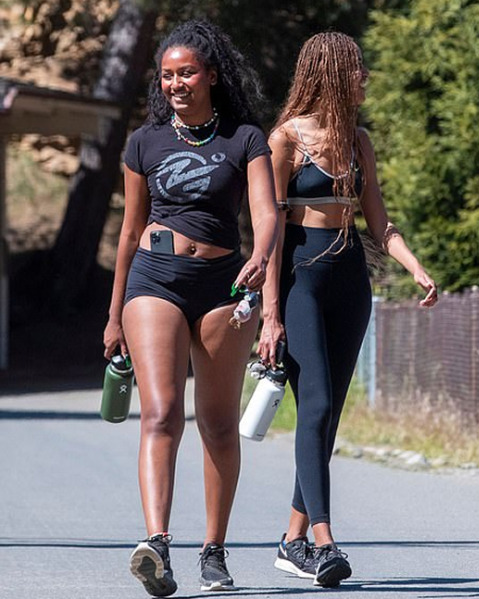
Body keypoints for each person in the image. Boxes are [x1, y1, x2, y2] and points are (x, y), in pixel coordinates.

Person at [103, 20, 277, 597]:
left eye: (187, 73)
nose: (176, 83)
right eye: (168, 75)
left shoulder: (244, 137)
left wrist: (262, 255)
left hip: (222, 285)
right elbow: (128, 233)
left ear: (211, 75)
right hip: (153, 280)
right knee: (161, 414)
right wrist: (112, 314)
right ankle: (157, 541)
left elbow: (265, 210)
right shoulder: (143, 142)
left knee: (220, 424)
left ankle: (214, 549)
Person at [258, 31, 438, 588]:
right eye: (357, 70)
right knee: (312, 403)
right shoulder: (285, 140)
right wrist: (270, 313)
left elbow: (379, 222)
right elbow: (266, 230)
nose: (364, 79)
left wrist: (414, 267)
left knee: (329, 413)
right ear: (332, 73)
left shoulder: (358, 141)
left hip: (349, 278)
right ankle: (324, 541)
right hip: (299, 275)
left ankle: (291, 540)